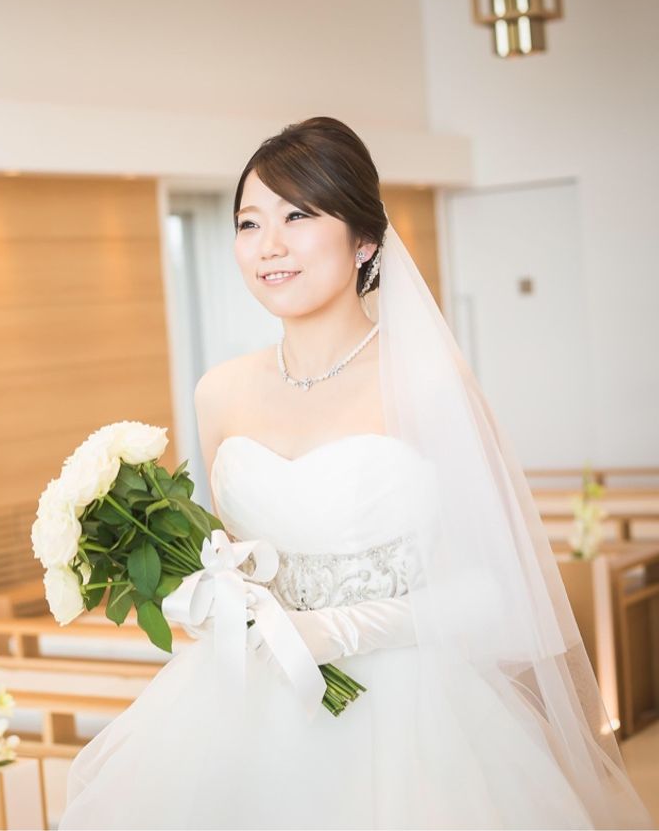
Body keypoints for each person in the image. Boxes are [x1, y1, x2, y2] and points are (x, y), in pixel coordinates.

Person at [58, 117, 651, 828]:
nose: (269, 245)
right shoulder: (219, 392)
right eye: (249, 223)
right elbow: (230, 558)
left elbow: (494, 593)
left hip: (413, 716)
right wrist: (206, 594)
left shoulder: (428, 384)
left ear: (365, 239)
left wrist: (342, 630)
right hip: (248, 708)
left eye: (298, 216)